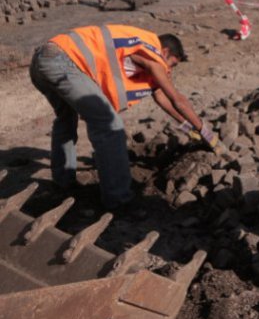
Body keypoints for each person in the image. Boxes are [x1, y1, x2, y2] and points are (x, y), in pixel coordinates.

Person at [29, 25, 216, 210]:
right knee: (109, 124)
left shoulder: (137, 49)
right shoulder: (152, 54)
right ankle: (118, 199)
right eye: (172, 64)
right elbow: (177, 100)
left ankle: (63, 183)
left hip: (43, 61)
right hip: (63, 62)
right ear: (164, 51)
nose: (169, 71)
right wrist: (205, 131)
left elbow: (162, 100)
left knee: (66, 119)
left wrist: (189, 129)